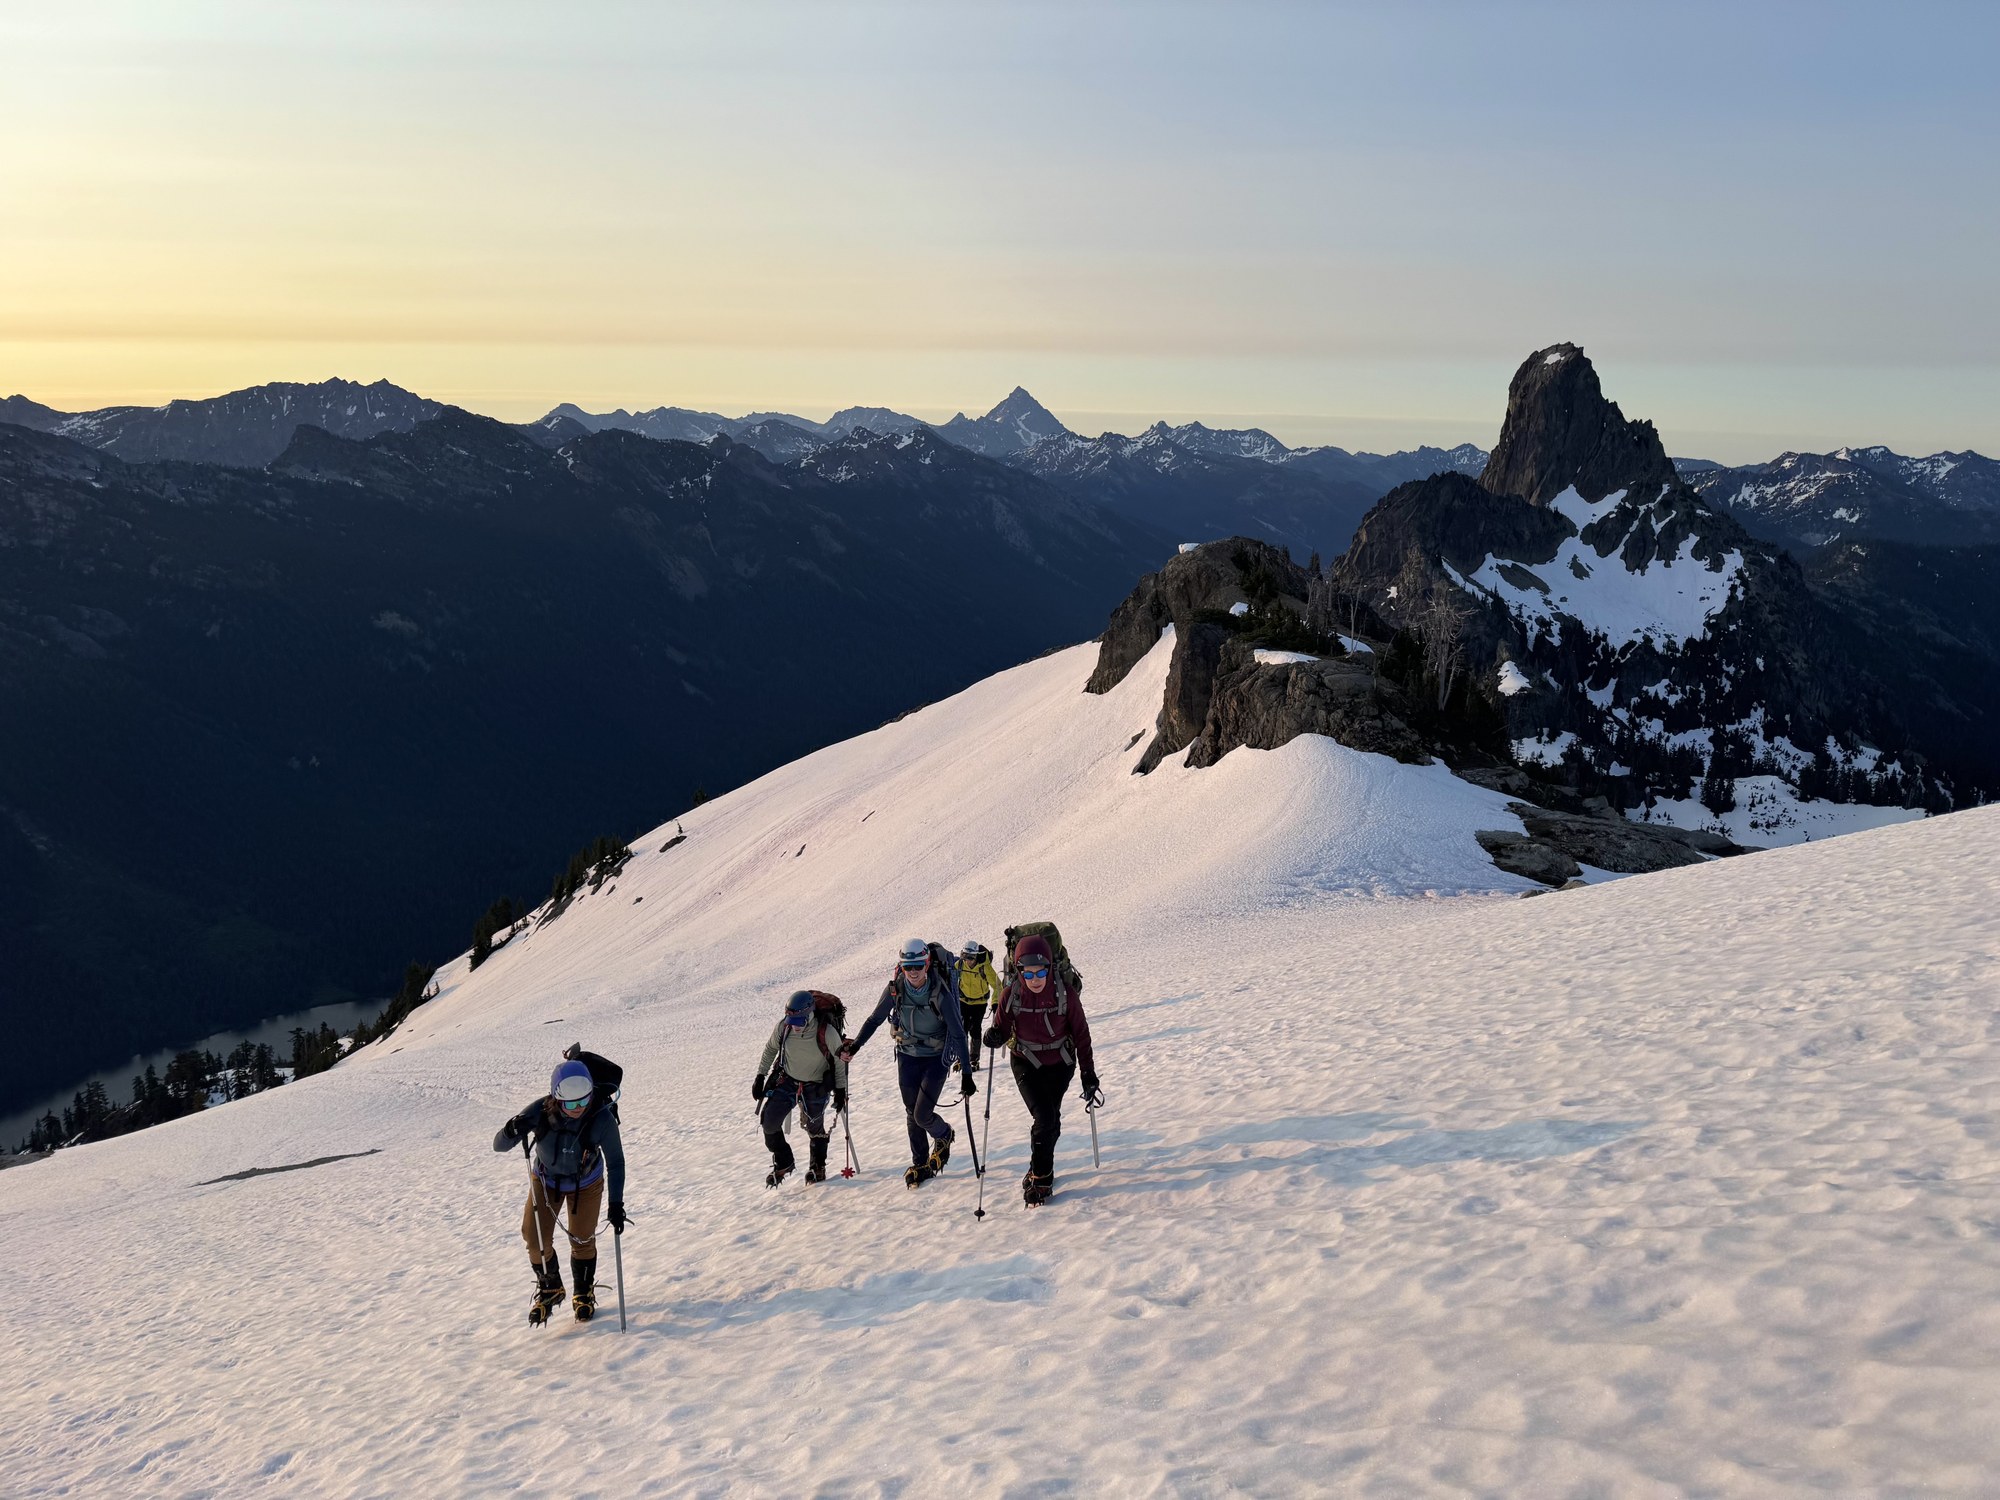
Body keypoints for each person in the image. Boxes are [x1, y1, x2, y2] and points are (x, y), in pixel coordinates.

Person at [492, 1055, 627, 1324]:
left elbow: (616, 1162)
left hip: (586, 1184)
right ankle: (551, 1288)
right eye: (571, 1103)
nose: (578, 1109)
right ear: (555, 1098)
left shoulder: (601, 1118)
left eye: (584, 1101)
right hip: (546, 1181)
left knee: (582, 1239)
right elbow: (499, 1146)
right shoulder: (539, 1111)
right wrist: (511, 1129)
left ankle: (583, 1292)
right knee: (534, 1238)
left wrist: (616, 1204)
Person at [844, 937, 975, 1188]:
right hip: (907, 1055)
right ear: (901, 967)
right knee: (911, 1112)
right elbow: (874, 1019)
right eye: (908, 967)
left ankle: (944, 1134)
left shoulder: (940, 992)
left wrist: (967, 1073)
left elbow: (958, 1033)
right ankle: (920, 1163)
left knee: (922, 1114)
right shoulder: (896, 989)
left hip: (936, 1057)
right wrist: (856, 1045)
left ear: (927, 964)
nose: (913, 972)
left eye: (918, 966)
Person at [986, 933, 1099, 1206]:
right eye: (1028, 973)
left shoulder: (1065, 994)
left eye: (1041, 972)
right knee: (1045, 1119)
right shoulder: (1011, 995)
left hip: (1061, 1064)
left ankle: (1037, 1167)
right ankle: (1042, 1180)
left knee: (1051, 1121)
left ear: (1050, 967)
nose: (1035, 979)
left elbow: (1081, 1035)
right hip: (1025, 1062)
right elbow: (1002, 1029)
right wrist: (995, 1036)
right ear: (1019, 971)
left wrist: (1088, 1073)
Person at [752, 990, 850, 1186]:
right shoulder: (784, 1027)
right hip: (787, 1080)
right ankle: (784, 1161)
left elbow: (839, 1062)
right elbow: (771, 1049)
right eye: (792, 1022)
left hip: (816, 1086)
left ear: (810, 1013)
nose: (795, 1027)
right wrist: (760, 1076)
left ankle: (817, 1167)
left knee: (815, 1127)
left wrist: (840, 1090)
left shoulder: (827, 1032)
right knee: (769, 1122)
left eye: (799, 1022)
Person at [955, 940, 1001, 1074]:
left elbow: (997, 985)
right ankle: (961, 1057)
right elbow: (951, 981)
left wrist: (995, 1002)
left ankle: (974, 1059)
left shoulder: (984, 967)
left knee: (975, 1029)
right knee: (962, 1029)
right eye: (964, 956)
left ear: (976, 956)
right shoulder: (959, 965)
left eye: (970, 957)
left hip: (979, 1003)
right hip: (963, 1001)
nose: (967, 960)